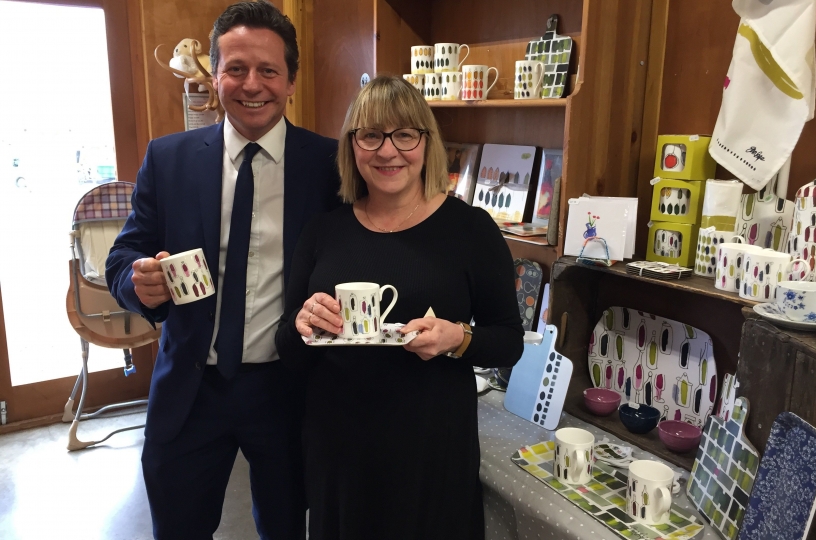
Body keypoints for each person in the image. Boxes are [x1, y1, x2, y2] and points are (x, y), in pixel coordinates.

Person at [105, 2, 341, 538]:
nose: (251, 84)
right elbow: (123, 255)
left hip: (287, 387)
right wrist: (137, 282)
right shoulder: (168, 159)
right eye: (235, 68)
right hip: (191, 389)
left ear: (291, 80)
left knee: (286, 527)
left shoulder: (329, 165)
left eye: (268, 70)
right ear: (215, 74)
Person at [275, 75, 524, 540]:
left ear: (427, 143)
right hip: (338, 447)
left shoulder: (471, 229)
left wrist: (458, 339)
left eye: (405, 134)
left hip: (431, 449)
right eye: (370, 135)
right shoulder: (323, 231)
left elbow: (509, 342)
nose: (388, 151)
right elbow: (287, 345)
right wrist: (303, 324)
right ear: (352, 146)